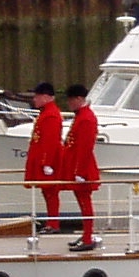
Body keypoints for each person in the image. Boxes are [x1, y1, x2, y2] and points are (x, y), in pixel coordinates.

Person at [61, 83, 101, 252]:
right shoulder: (82, 116)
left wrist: (80, 172)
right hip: (77, 166)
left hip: (82, 169)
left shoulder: (86, 118)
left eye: (71, 100)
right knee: (82, 202)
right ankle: (86, 234)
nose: (69, 104)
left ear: (78, 99)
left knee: (85, 203)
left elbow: (85, 147)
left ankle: (88, 237)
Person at [24, 81, 67, 232]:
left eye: (36, 96)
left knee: (51, 192)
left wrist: (46, 163)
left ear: (45, 97)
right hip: (43, 158)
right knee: (47, 191)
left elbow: (50, 141)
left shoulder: (51, 115)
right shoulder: (46, 113)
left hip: (49, 161)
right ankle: (51, 222)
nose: (34, 99)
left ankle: (53, 223)